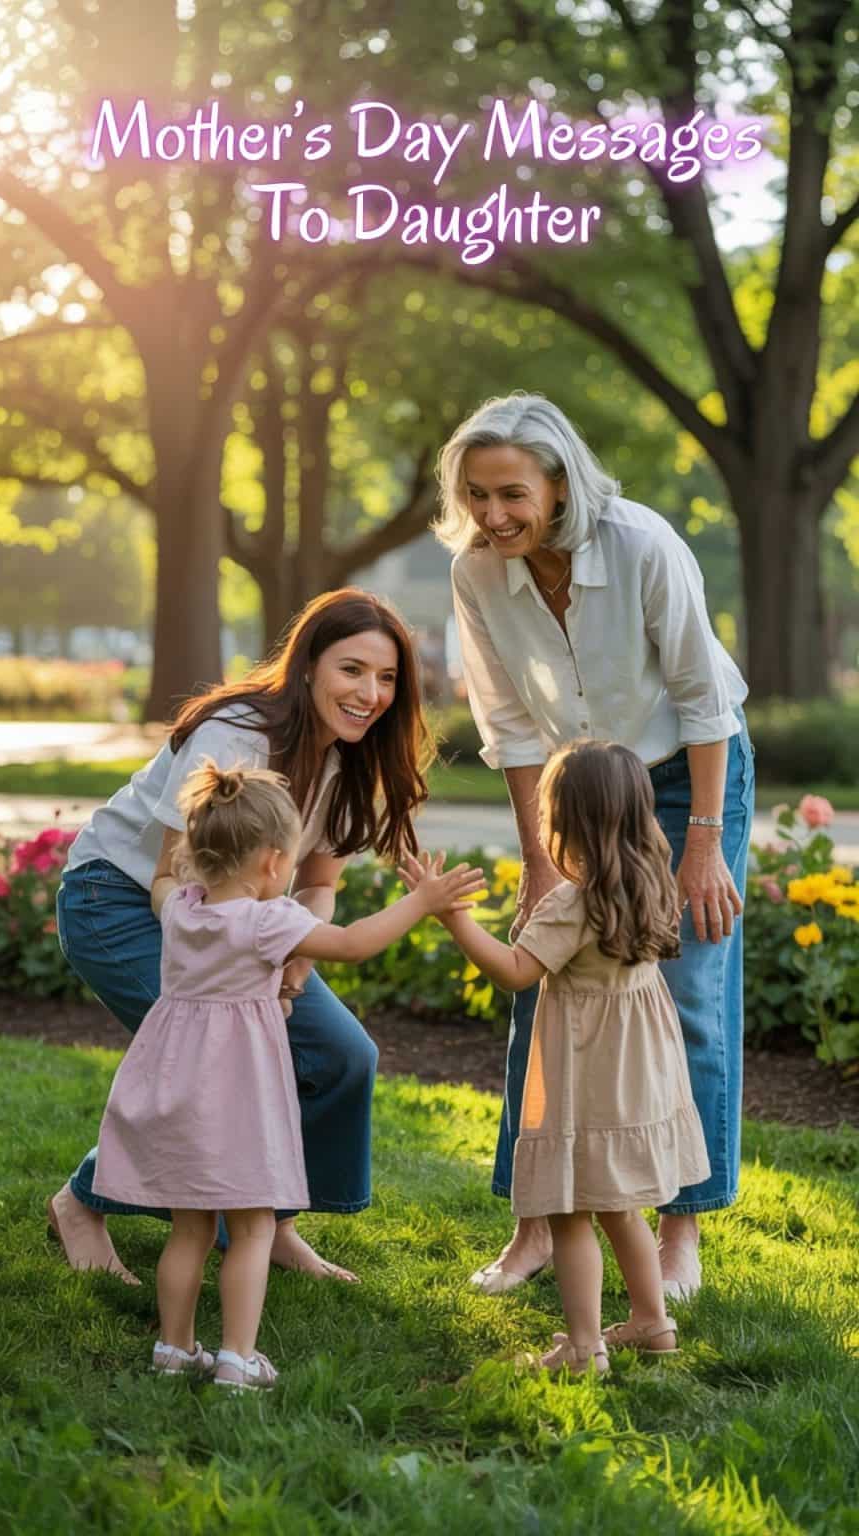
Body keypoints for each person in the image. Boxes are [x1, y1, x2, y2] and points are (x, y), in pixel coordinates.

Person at [434, 392, 754, 1300]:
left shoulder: (643, 544)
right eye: (476, 495)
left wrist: (701, 844)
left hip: (685, 773)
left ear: (559, 485)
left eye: (511, 495)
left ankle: (680, 1228)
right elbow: (506, 722)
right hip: (575, 789)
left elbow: (703, 700)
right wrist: (540, 861)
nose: (493, 515)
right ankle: (534, 1226)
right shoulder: (476, 573)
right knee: (543, 979)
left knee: (685, 989)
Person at [52, 588, 436, 1287]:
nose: (370, 693)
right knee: (210, 1063)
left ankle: (270, 1223)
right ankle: (81, 1203)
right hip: (124, 900)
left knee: (341, 1055)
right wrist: (246, 980)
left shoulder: (354, 758)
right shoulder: (237, 733)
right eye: (352, 670)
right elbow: (178, 873)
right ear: (310, 665)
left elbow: (318, 884)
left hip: (233, 920)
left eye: (386, 679)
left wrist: (290, 966)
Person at [96, 759, 482, 1390]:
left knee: (191, 1228)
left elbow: (162, 883)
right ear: (275, 863)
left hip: (175, 1083)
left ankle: (174, 1349)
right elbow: (355, 941)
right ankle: (238, 1358)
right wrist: (423, 900)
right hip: (237, 1093)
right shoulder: (268, 922)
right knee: (250, 1226)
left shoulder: (182, 910)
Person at [401, 740, 710, 1375]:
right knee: (620, 1202)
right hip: (637, 1072)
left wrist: (452, 918)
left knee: (570, 1210)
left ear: (565, 821)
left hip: (587, 1071)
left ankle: (582, 1345)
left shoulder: (574, 902)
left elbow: (517, 972)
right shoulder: (649, 881)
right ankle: (652, 1322)